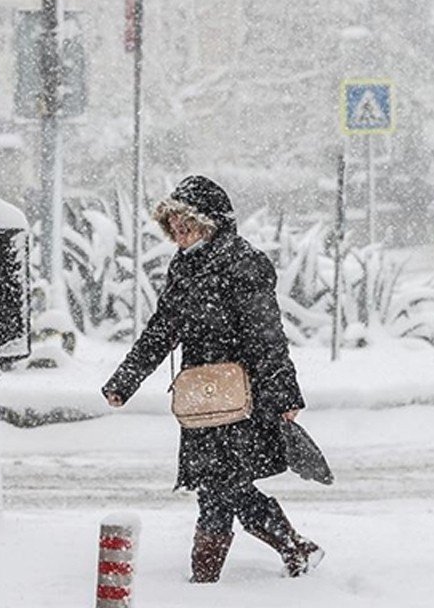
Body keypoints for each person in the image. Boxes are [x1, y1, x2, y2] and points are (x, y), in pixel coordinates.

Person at [101, 175, 324, 583]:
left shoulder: (243, 263)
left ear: (212, 222)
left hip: (243, 396)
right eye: (174, 225)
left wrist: (284, 394)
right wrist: (124, 381)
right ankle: (292, 549)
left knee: (221, 485)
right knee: (220, 484)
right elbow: (162, 329)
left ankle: (207, 580)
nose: (180, 233)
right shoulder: (184, 267)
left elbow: (267, 335)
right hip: (202, 398)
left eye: (187, 224)